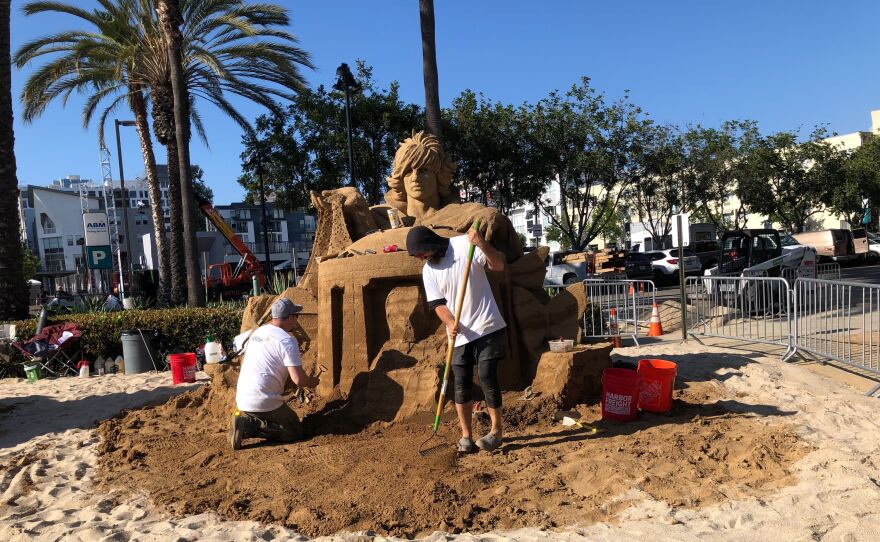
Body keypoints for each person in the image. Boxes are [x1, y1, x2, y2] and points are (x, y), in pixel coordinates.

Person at [407, 224, 507, 453]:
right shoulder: (429, 270)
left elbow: (499, 265)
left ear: (429, 245)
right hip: (459, 336)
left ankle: (496, 432)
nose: (421, 258)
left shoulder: (465, 245)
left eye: (421, 253)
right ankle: (466, 436)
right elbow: (437, 304)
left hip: (487, 326)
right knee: (461, 385)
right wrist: (450, 322)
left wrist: (481, 243)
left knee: (486, 376)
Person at [229, 298, 320, 450]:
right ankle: (249, 425)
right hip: (264, 401)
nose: (296, 321)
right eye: (296, 316)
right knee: (295, 431)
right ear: (290, 317)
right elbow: (298, 380)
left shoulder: (258, 332)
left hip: (243, 399)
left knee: (267, 412)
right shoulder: (287, 341)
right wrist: (312, 382)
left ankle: (245, 420)